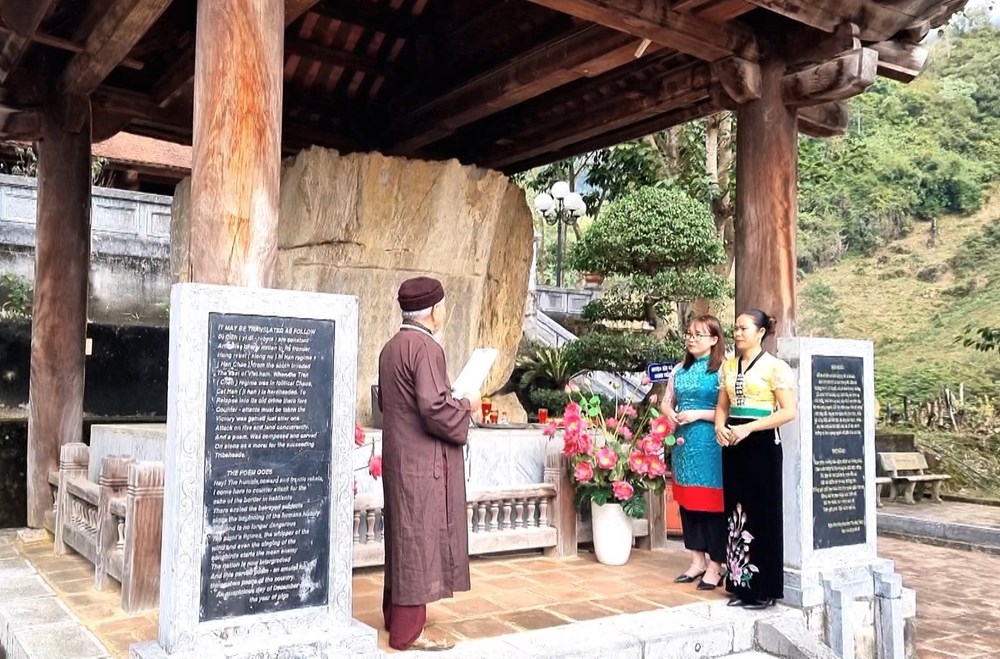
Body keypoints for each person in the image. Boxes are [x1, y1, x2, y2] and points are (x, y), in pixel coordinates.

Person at [377, 276, 482, 651]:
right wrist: (467, 402)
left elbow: (390, 404)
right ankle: (408, 631)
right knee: (418, 539)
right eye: (443, 306)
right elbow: (434, 407)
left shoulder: (391, 347)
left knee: (403, 535)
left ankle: (395, 614)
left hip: (399, 456)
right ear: (434, 312)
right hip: (423, 462)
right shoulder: (426, 347)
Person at [714, 309, 797, 609]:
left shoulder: (776, 368)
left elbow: (788, 411)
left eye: (743, 328)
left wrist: (748, 427)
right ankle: (741, 585)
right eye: (735, 328)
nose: (737, 333)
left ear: (760, 332)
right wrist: (719, 427)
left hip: (761, 443)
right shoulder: (728, 366)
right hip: (734, 443)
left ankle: (766, 590)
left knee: (764, 513)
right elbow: (722, 405)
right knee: (737, 512)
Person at [663, 315, 727, 591]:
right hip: (683, 444)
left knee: (712, 505)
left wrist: (699, 414)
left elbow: (730, 412)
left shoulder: (724, 370)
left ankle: (717, 564)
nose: (691, 338)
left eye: (698, 335)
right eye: (689, 334)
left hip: (710, 444)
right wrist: (672, 415)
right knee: (688, 503)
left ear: (714, 340)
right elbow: (668, 402)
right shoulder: (679, 369)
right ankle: (696, 559)